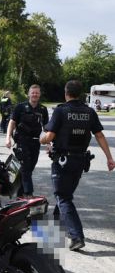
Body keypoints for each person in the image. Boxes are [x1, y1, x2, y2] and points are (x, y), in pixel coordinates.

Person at [40, 80, 115, 251]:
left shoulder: (60, 111)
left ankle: (76, 236)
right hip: (80, 162)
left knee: (63, 197)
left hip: (63, 162)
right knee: (65, 195)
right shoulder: (89, 112)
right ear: (80, 94)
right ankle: (54, 232)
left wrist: (42, 139)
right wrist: (110, 158)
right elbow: (100, 136)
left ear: (66, 93)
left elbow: (50, 136)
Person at [5, 84, 49, 197]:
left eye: (37, 93)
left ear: (39, 95)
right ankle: (29, 194)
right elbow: (12, 122)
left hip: (35, 143)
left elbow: (47, 128)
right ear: (29, 94)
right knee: (25, 168)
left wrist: (49, 143)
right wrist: (8, 137)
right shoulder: (20, 107)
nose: (35, 94)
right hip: (22, 142)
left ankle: (20, 195)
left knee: (29, 168)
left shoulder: (43, 109)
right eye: (33, 92)